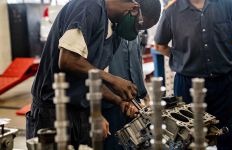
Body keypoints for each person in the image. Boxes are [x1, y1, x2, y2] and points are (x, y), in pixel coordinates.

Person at [26, 0, 161, 149]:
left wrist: (119, 101)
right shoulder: (88, 7)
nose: (136, 32)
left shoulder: (114, 32)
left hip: (79, 113)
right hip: (52, 112)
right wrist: (113, 80)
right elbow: (67, 60)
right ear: (134, 9)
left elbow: (91, 76)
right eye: (139, 26)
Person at [154, 0, 232, 149]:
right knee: (187, 138)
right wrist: (182, 58)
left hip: (224, 83)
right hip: (187, 85)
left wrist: (219, 53)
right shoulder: (171, 11)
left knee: (227, 134)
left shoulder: (227, 4)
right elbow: (159, 45)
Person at [103, 36, 149, 149]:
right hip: (110, 104)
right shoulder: (107, 30)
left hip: (135, 103)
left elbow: (137, 61)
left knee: (137, 143)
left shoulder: (134, 32)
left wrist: (146, 96)